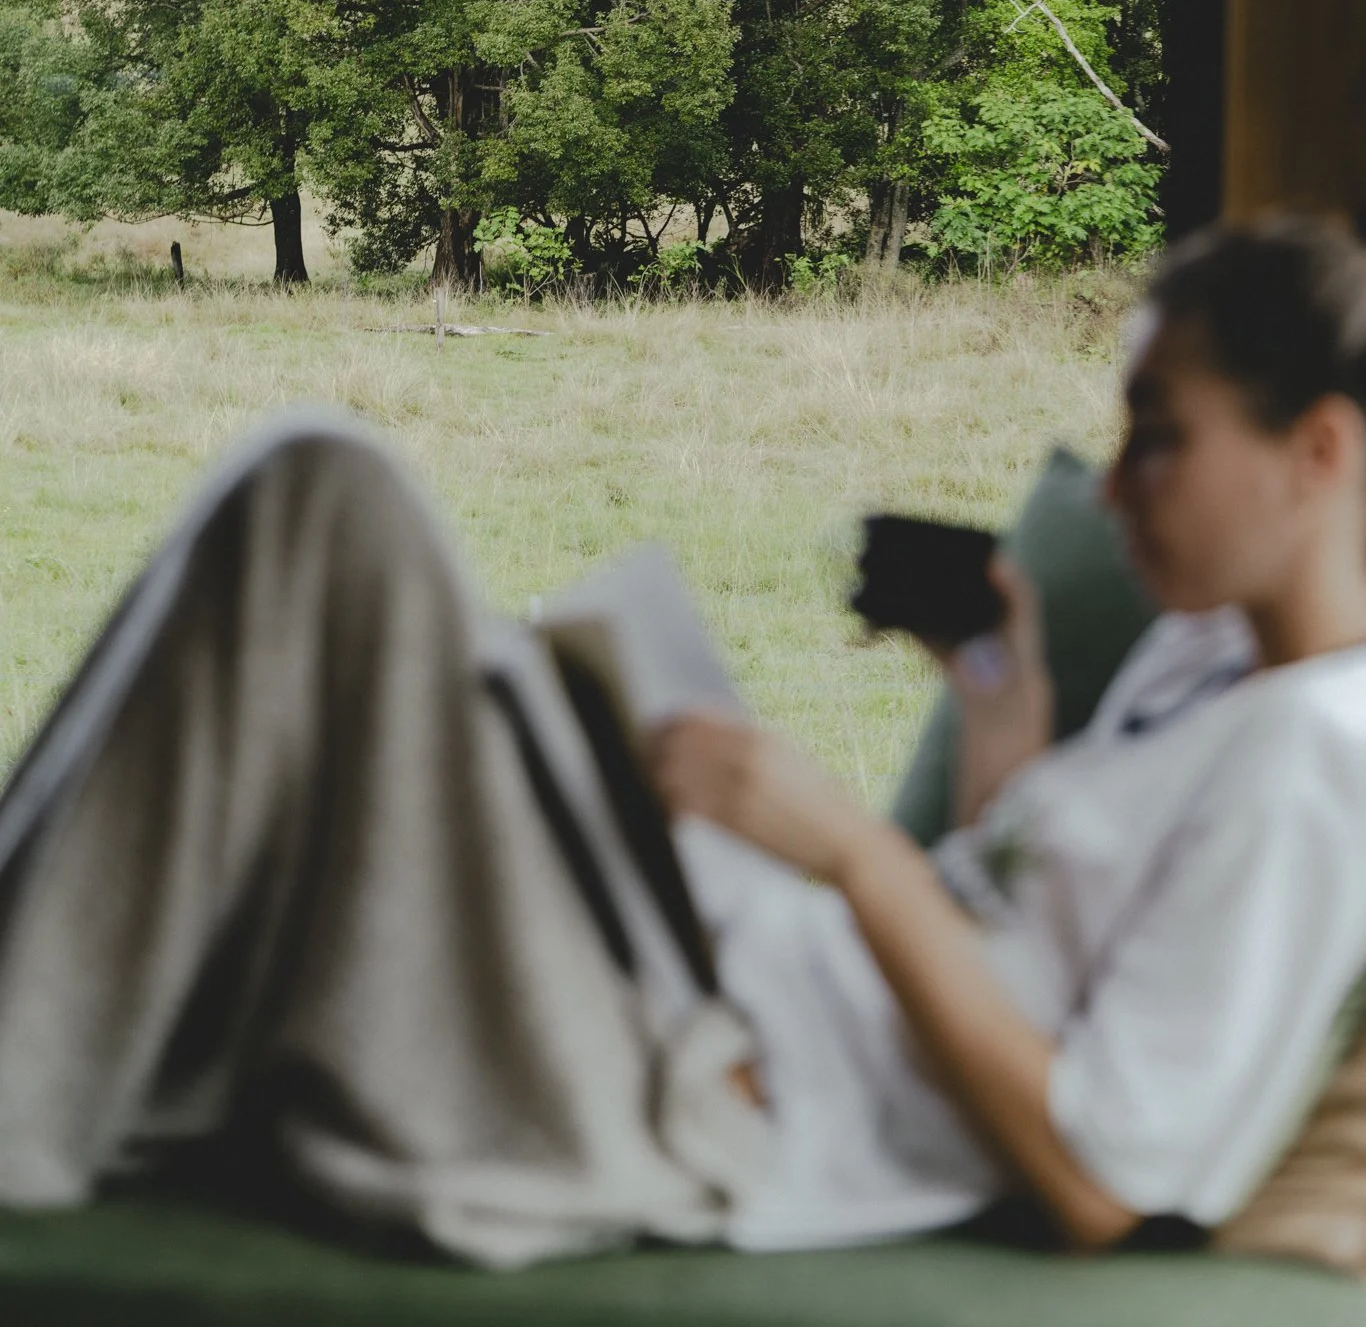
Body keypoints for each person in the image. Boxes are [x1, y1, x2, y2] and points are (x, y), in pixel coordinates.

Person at [0, 215, 1365, 1268]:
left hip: (693, 1096)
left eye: (1158, 438)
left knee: (325, 494)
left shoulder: (1312, 760)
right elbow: (1010, 927)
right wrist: (1001, 725)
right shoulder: (1206, 655)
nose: (1116, 483)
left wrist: (847, 854)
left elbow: (1106, 1183)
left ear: (1316, 452)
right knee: (425, 617)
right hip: (702, 965)